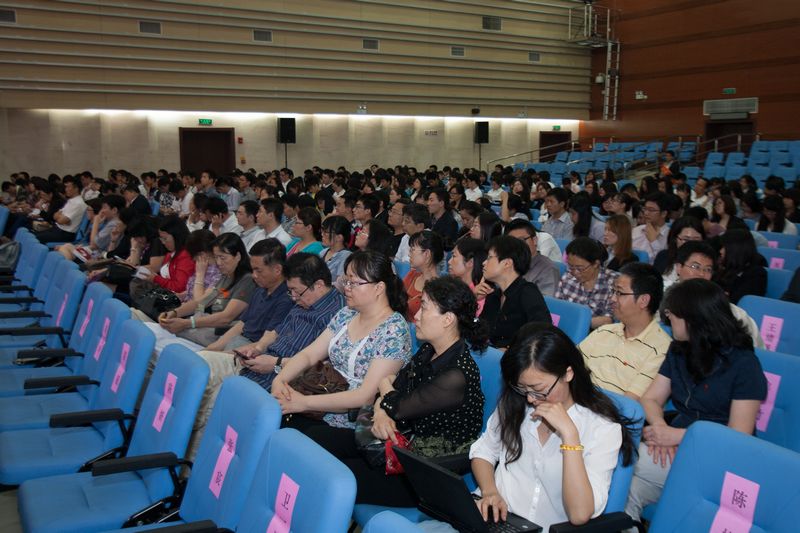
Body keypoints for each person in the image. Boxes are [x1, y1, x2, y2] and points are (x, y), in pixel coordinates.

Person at [624, 279, 767, 524]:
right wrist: (660, 428)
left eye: (672, 314)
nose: (668, 319)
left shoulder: (744, 364)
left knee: (623, 461)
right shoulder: (680, 349)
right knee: (628, 490)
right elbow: (651, 398)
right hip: (676, 446)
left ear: (693, 318)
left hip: (719, 456)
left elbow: (738, 434)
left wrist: (677, 436)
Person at [470, 323, 636, 531]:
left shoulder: (601, 428)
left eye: (539, 389)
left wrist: (570, 436)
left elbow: (579, 514)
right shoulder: (516, 403)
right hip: (496, 521)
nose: (530, 398)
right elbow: (484, 451)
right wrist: (490, 492)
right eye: (523, 388)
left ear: (568, 374)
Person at [340, 276, 487, 506]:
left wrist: (384, 391)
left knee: (337, 479)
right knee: (322, 445)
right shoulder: (428, 350)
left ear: (448, 319)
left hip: (422, 473)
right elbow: (392, 392)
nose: (416, 316)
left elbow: (396, 404)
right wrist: (381, 411)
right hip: (400, 445)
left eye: (424, 308)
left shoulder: (457, 374)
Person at [271, 250, 412, 438]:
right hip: (319, 398)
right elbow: (309, 354)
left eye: (354, 283)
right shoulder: (347, 314)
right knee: (273, 419)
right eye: (346, 281)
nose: (346, 288)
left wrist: (303, 403)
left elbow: (365, 396)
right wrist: (280, 380)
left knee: (292, 434)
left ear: (379, 288)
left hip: (352, 422)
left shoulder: (394, 331)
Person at [578, 263, 671, 400]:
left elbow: (629, 404)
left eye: (619, 293)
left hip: (608, 410)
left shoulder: (660, 349)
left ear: (643, 300)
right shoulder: (604, 331)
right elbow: (571, 364)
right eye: (613, 291)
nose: (612, 299)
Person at [157, 233, 255, 347]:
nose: (219, 263)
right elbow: (202, 303)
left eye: (223, 257)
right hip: (207, 326)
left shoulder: (247, 280)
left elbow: (226, 318)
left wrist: (187, 323)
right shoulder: (226, 277)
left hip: (222, 335)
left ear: (237, 256)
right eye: (216, 257)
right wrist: (175, 312)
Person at [671, 241, 764, 348]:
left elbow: (754, 349)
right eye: (695, 266)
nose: (701, 274)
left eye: (708, 269)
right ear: (679, 267)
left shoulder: (733, 313)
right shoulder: (665, 301)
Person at [479, 236, 551, 349]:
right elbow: (479, 330)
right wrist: (473, 299)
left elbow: (543, 333)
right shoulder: (494, 295)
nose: (484, 263)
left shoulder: (528, 292)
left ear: (507, 263)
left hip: (517, 356)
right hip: (492, 353)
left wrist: (512, 350)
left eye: (489, 257)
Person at [556, 237, 619, 330]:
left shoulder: (613, 282)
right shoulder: (567, 278)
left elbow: (609, 320)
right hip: (566, 329)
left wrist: (577, 322)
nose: (575, 273)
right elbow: (558, 310)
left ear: (596, 264)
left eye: (580, 268)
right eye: (571, 267)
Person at [505, 219, 560, 297]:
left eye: (522, 240)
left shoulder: (549, 269)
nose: (517, 246)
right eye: (512, 242)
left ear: (534, 240)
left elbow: (545, 302)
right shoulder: (507, 264)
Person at [713, 229, 767, 304]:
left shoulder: (756, 273)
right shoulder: (725, 266)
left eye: (724, 247)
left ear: (735, 249)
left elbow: (741, 302)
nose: (721, 251)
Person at [33, 175, 87, 244]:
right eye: (66, 187)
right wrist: (60, 217)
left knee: (35, 238)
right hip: (58, 229)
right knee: (34, 235)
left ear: (76, 188)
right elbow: (55, 216)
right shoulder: (71, 201)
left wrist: (60, 217)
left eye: (68, 187)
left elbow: (61, 220)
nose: (66, 189)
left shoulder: (78, 203)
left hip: (66, 234)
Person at [403, 230, 444, 320]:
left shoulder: (439, 289)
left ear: (427, 254)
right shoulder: (412, 275)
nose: (409, 254)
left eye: (412, 250)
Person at [651, 216, 705, 285]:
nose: (691, 244)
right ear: (675, 239)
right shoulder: (664, 256)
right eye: (686, 239)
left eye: (696, 239)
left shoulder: (707, 261)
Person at [448, 237, 488, 315]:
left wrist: (471, 297)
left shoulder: (480, 294)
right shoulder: (453, 286)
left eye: (454, 256)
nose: (449, 262)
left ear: (470, 262)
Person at [631, 193, 670, 263]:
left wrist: (653, 241)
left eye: (651, 210)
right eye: (645, 209)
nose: (646, 213)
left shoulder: (670, 236)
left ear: (664, 213)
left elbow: (662, 262)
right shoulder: (637, 230)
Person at [319, 215, 352, 281]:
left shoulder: (346, 256)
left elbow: (340, 283)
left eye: (326, 232)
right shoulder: (323, 252)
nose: (322, 234)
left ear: (339, 237)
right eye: (322, 231)